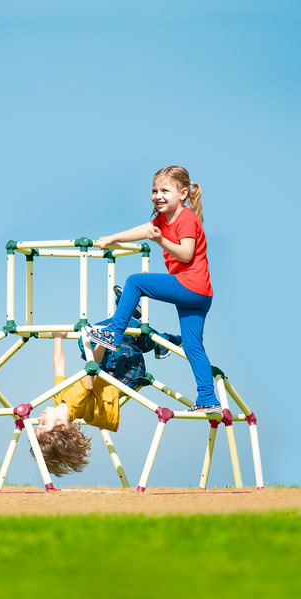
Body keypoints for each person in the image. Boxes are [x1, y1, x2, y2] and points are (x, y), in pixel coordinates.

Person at [91, 166, 218, 414]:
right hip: (200, 294)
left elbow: (186, 253)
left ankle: (113, 334)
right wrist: (112, 238)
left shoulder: (186, 219)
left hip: (189, 285)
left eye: (164, 191)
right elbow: (142, 231)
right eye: (154, 191)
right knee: (193, 347)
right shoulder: (162, 219)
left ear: (183, 193)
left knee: (135, 282)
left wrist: (160, 240)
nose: (158, 196)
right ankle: (207, 397)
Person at [34, 298, 182, 477]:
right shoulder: (76, 402)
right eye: (43, 424)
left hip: (111, 371)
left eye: (38, 423)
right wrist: (104, 338)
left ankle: (135, 319)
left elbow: (59, 367)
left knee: (89, 341)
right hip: (127, 374)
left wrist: (58, 338)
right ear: (60, 426)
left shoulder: (59, 398)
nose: (39, 418)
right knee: (98, 335)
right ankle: (158, 337)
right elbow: (93, 365)